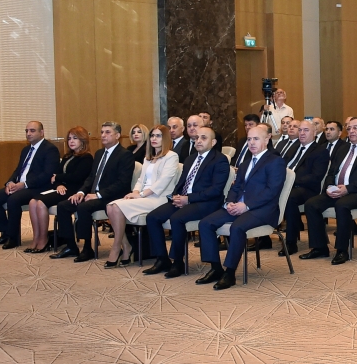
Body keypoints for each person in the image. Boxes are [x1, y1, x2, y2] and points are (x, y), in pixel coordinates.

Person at [197, 123, 286, 290]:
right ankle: (216, 268)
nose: (251, 143)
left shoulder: (275, 161)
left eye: (256, 139)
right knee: (205, 223)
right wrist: (229, 202)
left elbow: (272, 191)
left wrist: (246, 206)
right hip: (239, 206)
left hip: (263, 210)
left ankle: (229, 273)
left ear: (266, 140)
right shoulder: (245, 163)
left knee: (237, 227)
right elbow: (236, 187)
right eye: (249, 139)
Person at [143, 127, 230, 277]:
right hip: (184, 200)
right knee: (152, 217)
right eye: (196, 138)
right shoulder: (190, 159)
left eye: (204, 138)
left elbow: (215, 190)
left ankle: (178, 262)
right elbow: (182, 183)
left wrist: (188, 199)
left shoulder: (220, 160)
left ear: (213, 142)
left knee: (177, 218)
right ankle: (162, 259)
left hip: (206, 203)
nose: (199, 141)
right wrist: (176, 196)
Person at [300, 117, 357, 265]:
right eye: (349, 128)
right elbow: (331, 172)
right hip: (338, 191)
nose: (351, 131)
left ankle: (342, 250)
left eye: (356, 128)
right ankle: (320, 247)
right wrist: (329, 186)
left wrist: (347, 189)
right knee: (311, 204)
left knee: (342, 205)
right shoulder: (343, 148)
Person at [50, 122, 136, 262]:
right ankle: (71, 246)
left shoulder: (125, 155)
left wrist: (98, 195)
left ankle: (87, 248)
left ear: (117, 136)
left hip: (112, 196)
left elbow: (122, 183)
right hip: (93, 194)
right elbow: (91, 177)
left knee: (84, 207)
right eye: (102, 132)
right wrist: (81, 192)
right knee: (64, 205)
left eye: (107, 132)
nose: (103, 135)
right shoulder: (99, 153)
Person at [103, 125, 180, 267]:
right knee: (110, 206)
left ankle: (116, 248)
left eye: (158, 136)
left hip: (159, 198)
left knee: (116, 207)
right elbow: (140, 180)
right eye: (152, 136)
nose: (154, 139)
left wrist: (142, 194)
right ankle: (126, 246)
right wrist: (136, 192)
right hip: (144, 196)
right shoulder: (148, 158)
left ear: (165, 138)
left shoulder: (171, 156)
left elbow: (163, 182)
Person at [0, 121, 60, 250]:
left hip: (38, 187)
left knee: (13, 199)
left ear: (42, 132)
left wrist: (24, 184)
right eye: (26, 131)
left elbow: (47, 174)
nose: (28, 133)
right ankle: (5, 233)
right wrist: (10, 182)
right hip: (20, 186)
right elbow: (18, 170)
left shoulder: (50, 149)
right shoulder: (26, 149)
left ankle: (13, 237)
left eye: (32, 131)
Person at [25, 127, 94, 254]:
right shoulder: (68, 156)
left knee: (40, 203)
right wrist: (58, 184)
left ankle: (43, 240)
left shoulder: (86, 158)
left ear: (83, 140)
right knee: (32, 202)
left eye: (75, 138)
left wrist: (58, 178)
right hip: (62, 189)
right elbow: (55, 175)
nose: (71, 141)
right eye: (69, 138)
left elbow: (77, 177)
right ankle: (37, 238)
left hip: (75, 191)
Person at [279, 119, 329, 256]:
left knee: (289, 198)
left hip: (308, 188)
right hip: (289, 185)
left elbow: (316, 176)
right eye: (300, 130)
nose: (302, 133)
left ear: (314, 132)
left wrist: (292, 181)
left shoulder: (320, 151)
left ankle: (291, 242)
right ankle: (263, 237)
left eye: (306, 130)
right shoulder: (294, 147)